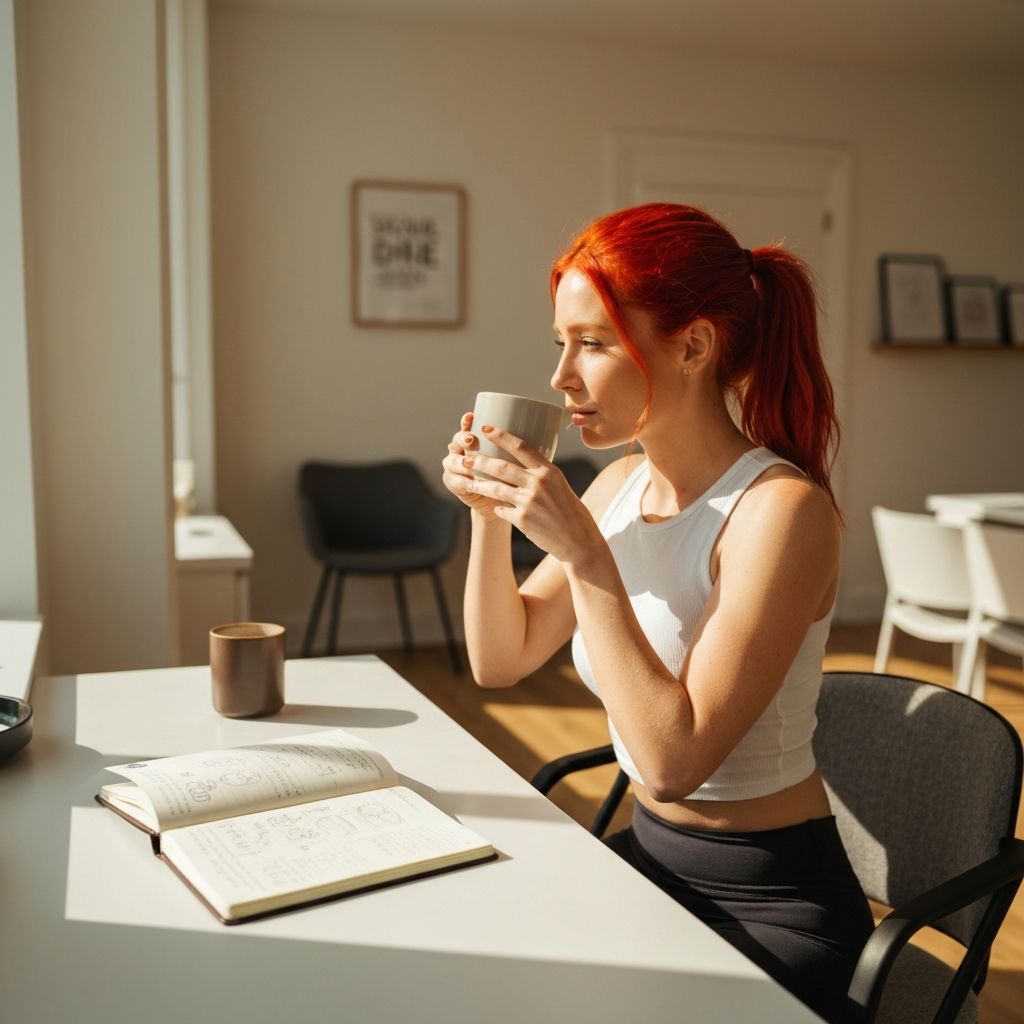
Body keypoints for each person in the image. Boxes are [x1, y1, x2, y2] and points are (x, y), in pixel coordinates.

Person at [441, 202, 873, 1022]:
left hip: (770, 904)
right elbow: (500, 660)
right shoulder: (616, 488)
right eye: (560, 343)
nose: (562, 376)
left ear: (695, 345)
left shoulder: (780, 512)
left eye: (594, 342)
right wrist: (487, 518)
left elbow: (676, 760)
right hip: (648, 860)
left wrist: (585, 556)